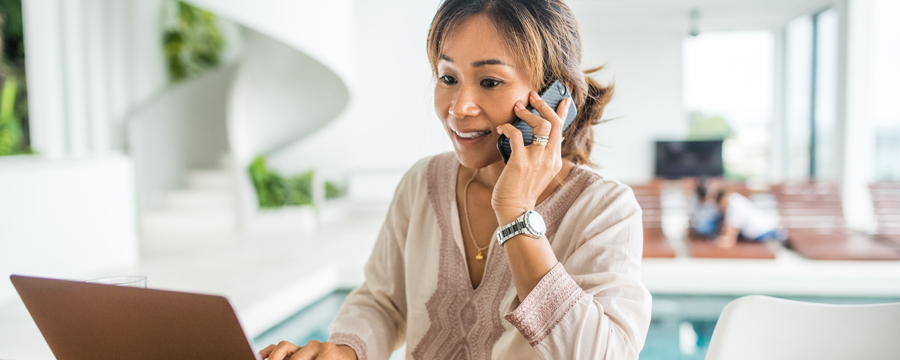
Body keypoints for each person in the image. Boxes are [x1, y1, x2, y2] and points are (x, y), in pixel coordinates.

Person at [260, 1, 651, 359]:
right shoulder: (422, 182)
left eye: (490, 82)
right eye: (448, 78)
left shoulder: (605, 210)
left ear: (552, 97)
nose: (459, 107)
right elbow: (384, 303)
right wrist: (345, 350)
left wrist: (516, 215)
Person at [713, 189, 785, 248]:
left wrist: (720, 241)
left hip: (762, 233)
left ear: (723, 201)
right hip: (766, 228)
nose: (723, 208)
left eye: (722, 206)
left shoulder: (734, 205)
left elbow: (731, 238)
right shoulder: (735, 198)